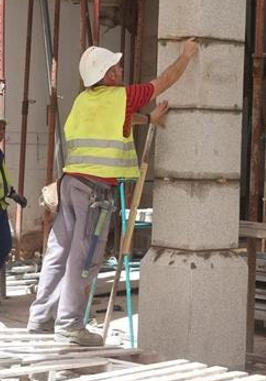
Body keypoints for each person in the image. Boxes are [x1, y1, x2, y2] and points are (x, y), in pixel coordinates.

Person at [27, 39, 199, 346]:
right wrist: (185, 55)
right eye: (116, 66)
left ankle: (40, 319)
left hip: (68, 185)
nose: (121, 69)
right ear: (108, 76)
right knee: (86, 256)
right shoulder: (124, 96)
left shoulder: (84, 101)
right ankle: (69, 324)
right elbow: (165, 81)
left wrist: (148, 119)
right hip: (95, 191)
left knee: (59, 253)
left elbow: (118, 121)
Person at [0, 113, 27, 281]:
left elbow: (1, 179)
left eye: (3, 128)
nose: (1, 132)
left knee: (4, 245)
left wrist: (14, 194)